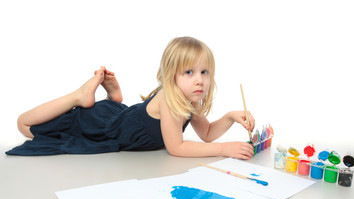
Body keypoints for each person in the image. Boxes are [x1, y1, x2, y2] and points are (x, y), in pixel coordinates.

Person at [7, 37, 255, 159]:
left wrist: (232, 116)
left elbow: (207, 133)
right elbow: (176, 147)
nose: (199, 79)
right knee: (25, 126)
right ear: (172, 76)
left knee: (116, 111)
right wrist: (223, 149)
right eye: (189, 72)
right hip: (102, 128)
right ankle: (78, 96)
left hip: (121, 120)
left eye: (204, 72)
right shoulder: (171, 98)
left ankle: (113, 99)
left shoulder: (190, 98)